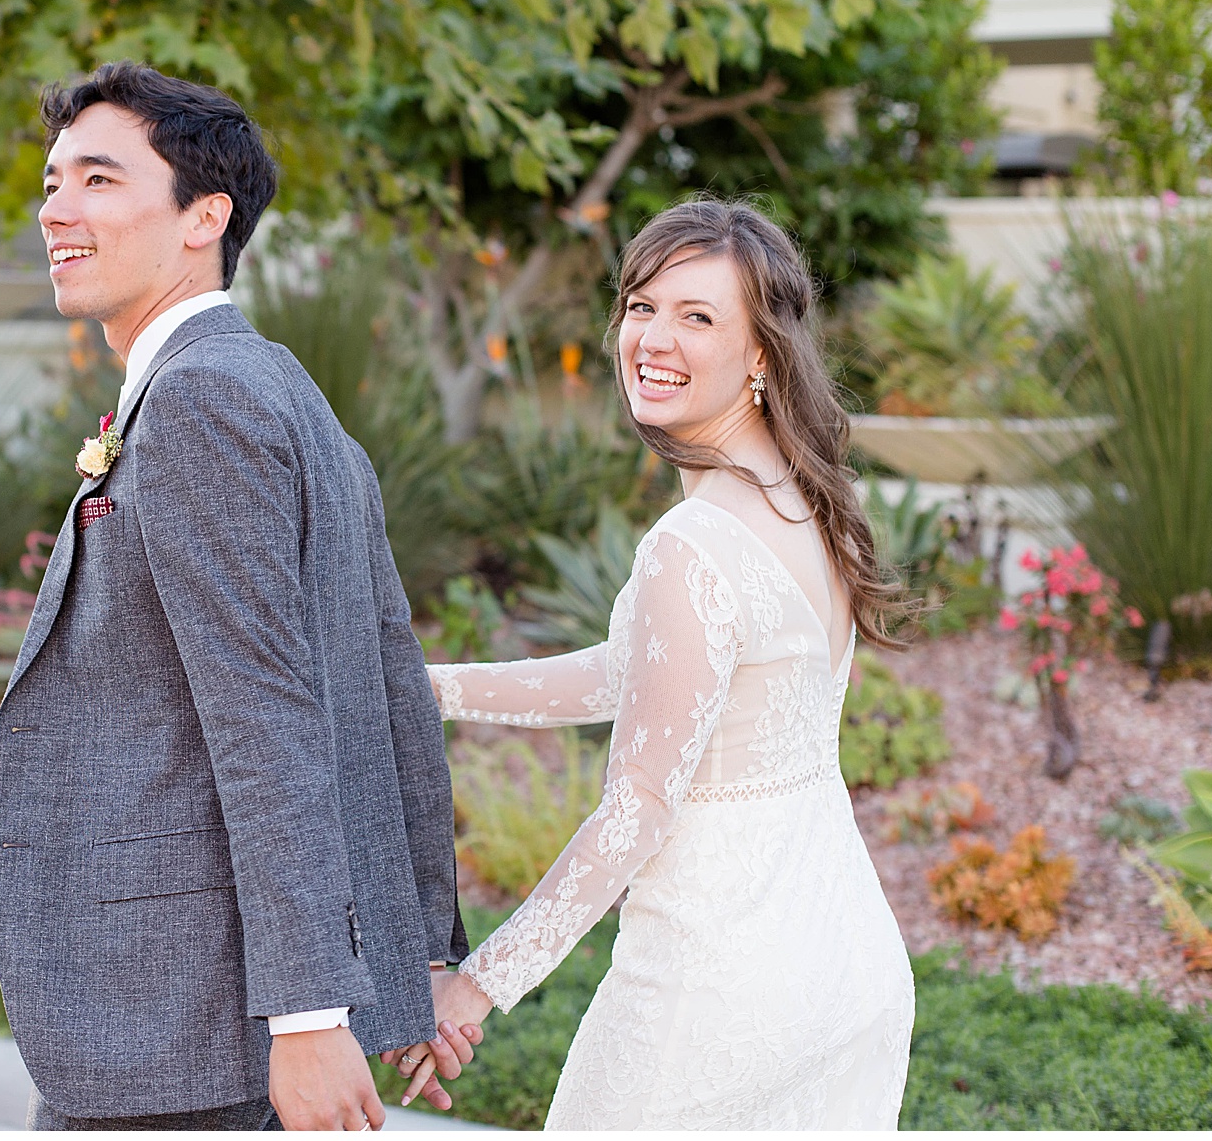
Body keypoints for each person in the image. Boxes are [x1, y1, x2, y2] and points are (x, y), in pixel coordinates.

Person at [0, 60, 466, 1131]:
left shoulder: (202, 397)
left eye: (99, 179)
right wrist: (414, 949)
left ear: (205, 214)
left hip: (186, 1028)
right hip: (197, 1024)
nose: (55, 206)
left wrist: (307, 1015)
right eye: (54, 178)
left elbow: (270, 717)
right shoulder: (277, 386)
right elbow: (383, 680)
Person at [391, 198, 917, 1129]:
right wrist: (431, 691)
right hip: (842, 963)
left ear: (761, 355)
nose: (653, 338)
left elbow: (639, 805)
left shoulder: (694, 542)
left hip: (712, 989)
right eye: (642, 306)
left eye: (698, 316)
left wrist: (478, 985)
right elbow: (642, 673)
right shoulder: (804, 502)